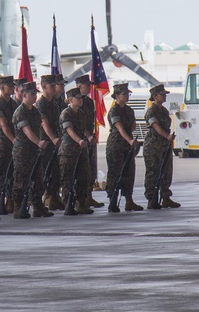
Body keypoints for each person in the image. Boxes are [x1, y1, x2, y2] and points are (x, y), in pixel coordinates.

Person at [11, 82, 51, 218]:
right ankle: (18, 207)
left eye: (36, 94)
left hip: (34, 150)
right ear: (24, 95)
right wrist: (38, 142)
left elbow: (38, 128)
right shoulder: (20, 112)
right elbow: (27, 131)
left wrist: (38, 143)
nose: (35, 97)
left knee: (38, 179)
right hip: (22, 151)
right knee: (21, 179)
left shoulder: (35, 111)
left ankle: (38, 206)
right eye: (32, 94)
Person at [105, 83, 143, 212]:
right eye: (124, 94)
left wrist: (130, 141)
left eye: (128, 94)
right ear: (117, 96)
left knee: (129, 172)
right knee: (115, 173)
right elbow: (120, 127)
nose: (127, 96)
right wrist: (129, 140)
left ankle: (129, 201)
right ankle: (113, 200)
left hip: (127, 146)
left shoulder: (129, 110)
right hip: (116, 145)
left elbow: (133, 126)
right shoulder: (114, 110)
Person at [144, 84, 179, 209]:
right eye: (162, 94)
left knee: (166, 172)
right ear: (155, 96)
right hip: (153, 145)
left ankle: (165, 197)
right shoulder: (151, 111)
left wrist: (168, 139)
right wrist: (167, 136)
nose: (164, 97)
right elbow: (155, 126)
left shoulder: (164, 111)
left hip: (164, 146)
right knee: (153, 172)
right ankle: (151, 198)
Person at [59, 88, 94, 215]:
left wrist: (88, 136)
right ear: (71, 99)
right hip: (69, 149)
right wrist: (79, 140)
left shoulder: (81, 113)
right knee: (68, 177)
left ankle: (81, 203)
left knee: (83, 176)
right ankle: (68, 202)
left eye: (81, 98)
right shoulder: (66, 113)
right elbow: (69, 130)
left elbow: (82, 128)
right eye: (78, 98)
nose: (81, 100)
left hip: (81, 149)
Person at [0, 76, 18, 213]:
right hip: (1, 144)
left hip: (13, 143)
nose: (12, 88)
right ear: (1, 87)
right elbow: (4, 125)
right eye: (9, 86)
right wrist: (14, 140)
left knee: (12, 172)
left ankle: (10, 200)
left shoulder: (13, 104)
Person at [75, 74, 104, 207]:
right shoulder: (74, 102)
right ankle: (80, 199)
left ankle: (89, 196)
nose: (90, 88)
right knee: (80, 171)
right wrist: (87, 136)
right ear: (79, 86)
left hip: (89, 139)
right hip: (79, 140)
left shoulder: (88, 102)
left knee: (91, 169)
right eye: (87, 85)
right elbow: (78, 124)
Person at [36, 74, 64, 210]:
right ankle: (45, 198)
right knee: (46, 171)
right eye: (52, 86)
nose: (55, 88)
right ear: (44, 87)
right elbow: (44, 124)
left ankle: (54, 197)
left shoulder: (54, 103)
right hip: (46, 142)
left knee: (56, 171)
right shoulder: (40, 104)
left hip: (56, 142)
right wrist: (53, 139)